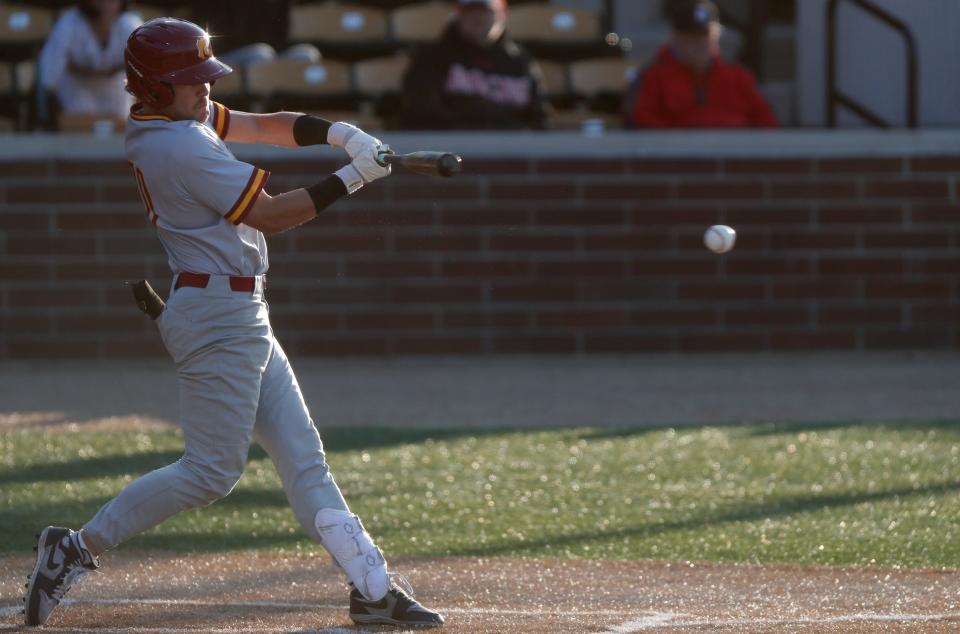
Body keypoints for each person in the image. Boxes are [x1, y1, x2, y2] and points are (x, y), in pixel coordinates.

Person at [23, 18, 444, 630]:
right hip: (218, 317)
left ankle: (372, 589)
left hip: (236, 309)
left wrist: (339, 133)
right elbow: (271, 215)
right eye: (190, 81)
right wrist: (353, 177)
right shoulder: (177, 145)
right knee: (210, 471)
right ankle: (75, 548)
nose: (204, 90)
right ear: (154, 87)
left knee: (304, 459)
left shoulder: (167, 118)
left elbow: (258, 125)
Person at [626, 0, 777, 129]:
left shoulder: (739, 76)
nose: (699, 44)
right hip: (678, 158)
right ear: (675, 38)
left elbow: (767, 121)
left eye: (705, 37)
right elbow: (642, 122)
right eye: (691, 37)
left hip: (734, 155)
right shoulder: (654, 76)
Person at [401, 0, 548, 130]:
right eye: (470, 11)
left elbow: (539, 116)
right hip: (448, 147)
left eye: (486, 11)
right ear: (458, 15)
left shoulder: (520, 62)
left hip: (509, 148)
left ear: (502, 15)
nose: (478, 18)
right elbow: (421, 111)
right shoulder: (431, 58)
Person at [37, 0, 142, 124]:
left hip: (117, 88)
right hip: (78, 88)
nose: (107, 3)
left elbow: (146, 71)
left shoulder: (130, 24)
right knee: (82, 124)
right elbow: (49, 78)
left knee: (123, 123)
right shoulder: (68, 25)